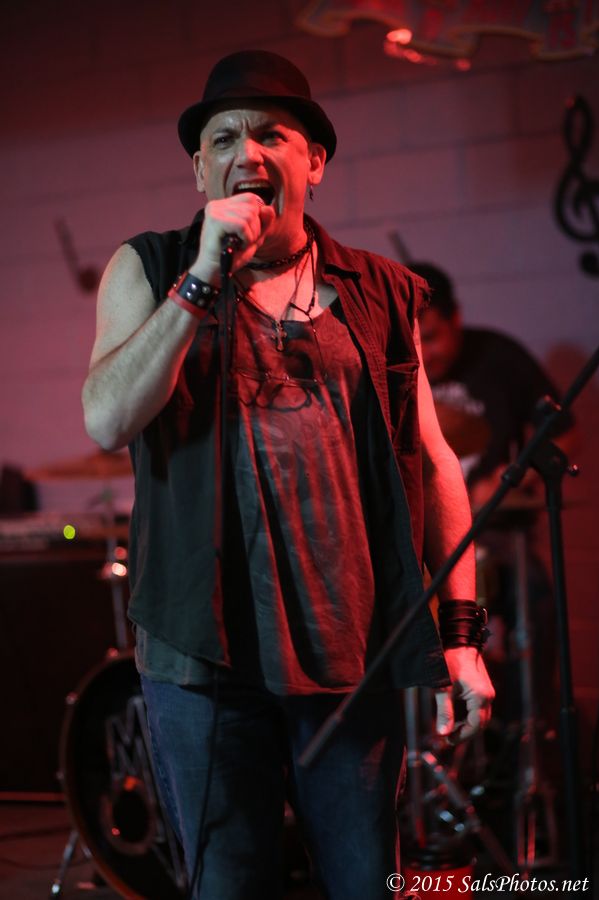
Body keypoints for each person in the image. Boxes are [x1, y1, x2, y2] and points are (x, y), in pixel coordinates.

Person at [82, 51, 494, 900]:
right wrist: (202, 279)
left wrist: (460, 634)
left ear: (316, 162)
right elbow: (107, 420)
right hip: (202, 658)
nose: (248, 151)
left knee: (365, 881)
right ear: (200, 169)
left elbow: (434, 461)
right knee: (229, 885)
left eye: (273, 134)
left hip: (353, 654)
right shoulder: (151, 268)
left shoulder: (381, 291)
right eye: (224, 137)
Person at [411, 261, 577, 725]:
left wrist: (511, 477)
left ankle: (527, 728)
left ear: (456, 318)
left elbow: (565, 434)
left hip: (492, 530)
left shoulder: (498, 356)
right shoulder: (398, 366)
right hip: (417, 536)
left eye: (434, 336)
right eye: (417, 340)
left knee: (536, 597)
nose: (427, 353)